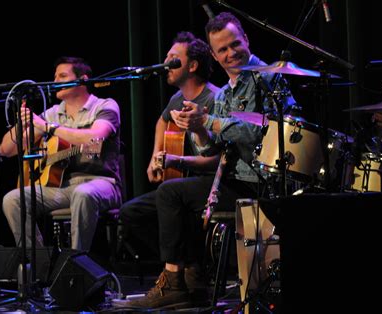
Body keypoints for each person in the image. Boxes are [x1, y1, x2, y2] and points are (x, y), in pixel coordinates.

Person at [124, 12, 295, 309]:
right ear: (214, 57)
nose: (231, 53)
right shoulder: (224, 95)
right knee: (167, 196)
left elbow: (264, 130)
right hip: (233, 181)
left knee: (170, 193)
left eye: (235, 44)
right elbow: (209, 150)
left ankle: (176, 282)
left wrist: (209, 122)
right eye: (223, 50)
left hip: (261, 182)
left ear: (246, 39)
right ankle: (187, 279)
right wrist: (199, 129)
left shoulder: (268, 77)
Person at [119, 31, 220, 286]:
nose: (166, 63)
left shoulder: (214, 98)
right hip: (181, 181)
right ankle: (189, 264)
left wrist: (175, 160)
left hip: (209, 180)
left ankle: (181, 276)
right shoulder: (177, 98)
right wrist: (156, 155)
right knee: (132, 212)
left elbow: (219, 158)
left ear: (193, 65)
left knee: (171, 196)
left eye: (173, 58)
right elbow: (161, 122)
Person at [0, 56, 122, 252]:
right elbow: (6, 151)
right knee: (13, 199)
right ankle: (38, 261)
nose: (55, 82)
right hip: (62, 188)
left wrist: (47, 127)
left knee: (83, 194)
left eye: (62, 76)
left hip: (101, 183)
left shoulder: (104, 106)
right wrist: (23, 121)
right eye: (54, 76)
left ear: (82, 80)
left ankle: (75, 264)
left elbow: (94, 138)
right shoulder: (52, 113)